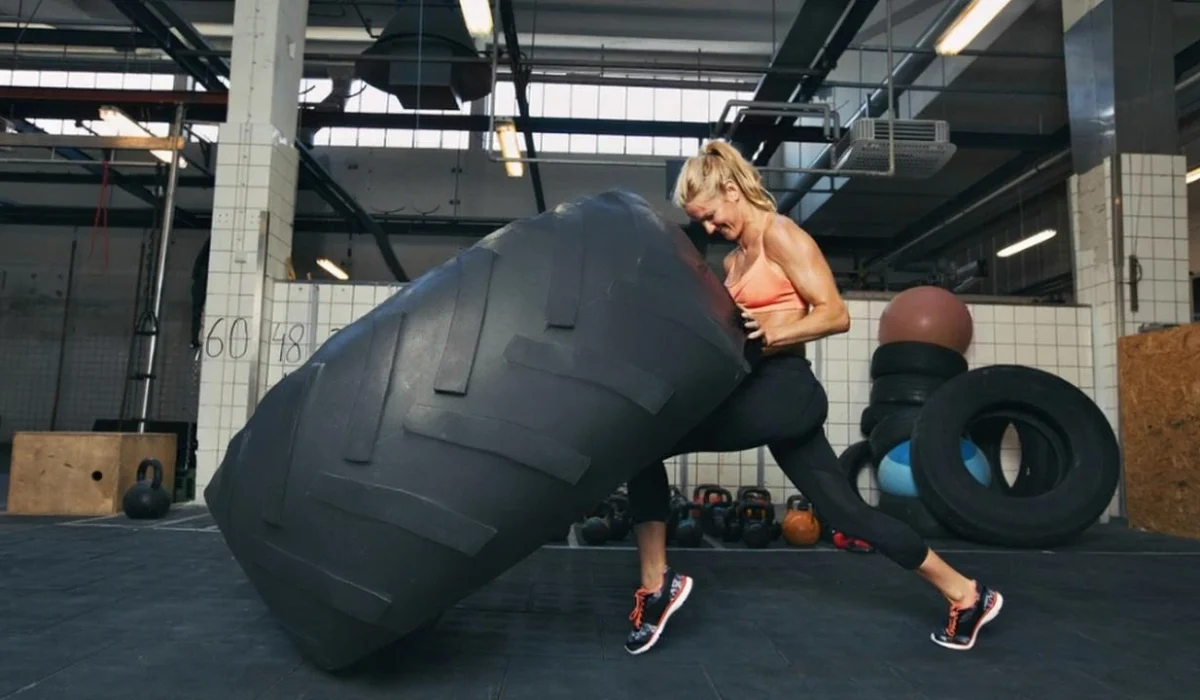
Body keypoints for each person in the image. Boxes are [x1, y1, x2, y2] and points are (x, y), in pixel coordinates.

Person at [620, 140, 1003, 656]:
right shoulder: (734, 262)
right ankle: (967, 593)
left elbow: (834, 313)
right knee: (848, 515)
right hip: (764, 394)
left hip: (784, 390)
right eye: (701, 222)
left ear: (731, 191)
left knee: (641, 444)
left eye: (710, 215)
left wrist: (772, 332)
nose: (709, 229)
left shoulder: (781, 235)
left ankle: (655, 583)